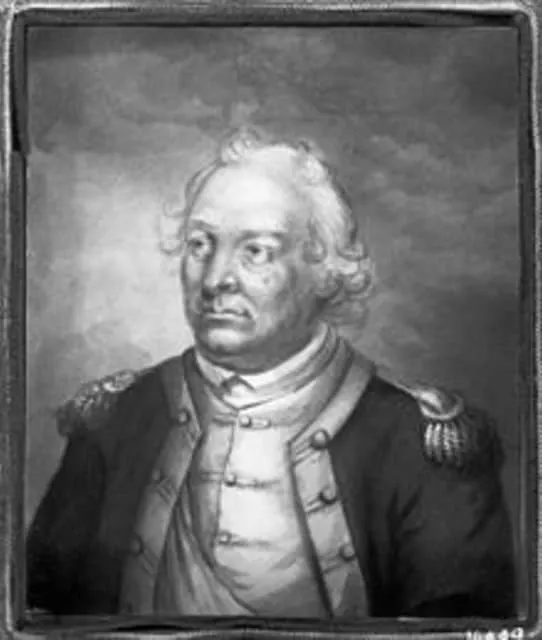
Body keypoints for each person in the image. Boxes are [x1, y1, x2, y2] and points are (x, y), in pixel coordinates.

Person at [27, 128, 516, 619]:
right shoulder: (116, 423)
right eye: (200, 244)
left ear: (325, 271)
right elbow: (38, 615)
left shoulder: (421, 444)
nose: (216, 279)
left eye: (256, 251)